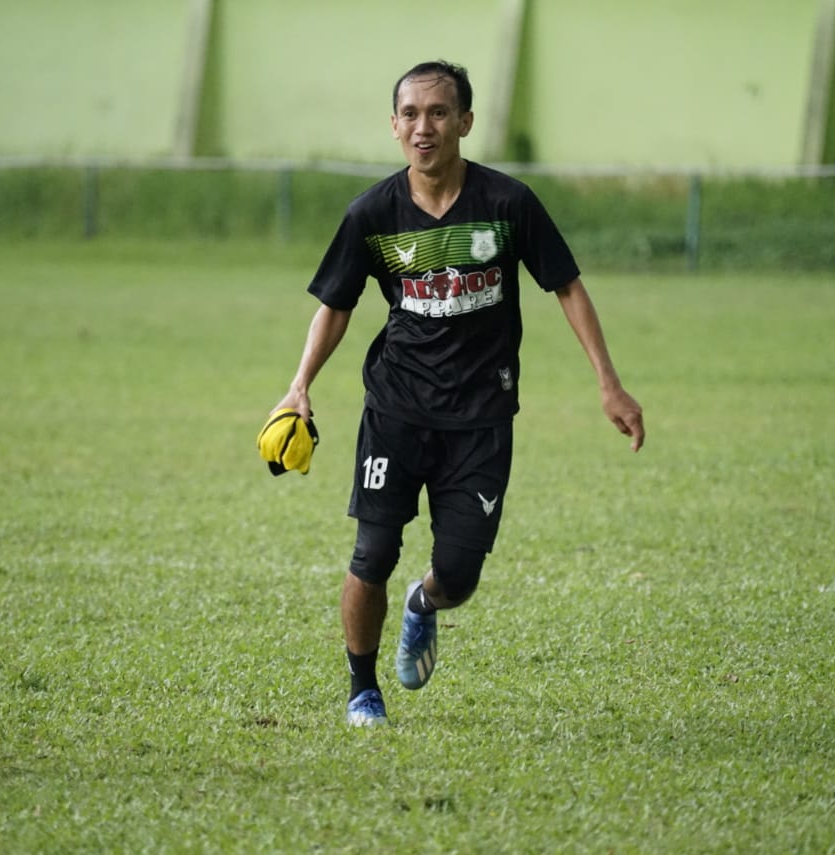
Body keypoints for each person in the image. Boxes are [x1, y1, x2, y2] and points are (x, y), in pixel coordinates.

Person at [269, 60, 645, 727]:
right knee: (372, 551)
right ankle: (363, 690)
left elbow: (566, 286)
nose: (424, 127)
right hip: (395, 408)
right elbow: (336, 303)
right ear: (393, 126)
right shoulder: (373, 214)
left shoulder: (508, 205)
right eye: (410, 114)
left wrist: (609, 383)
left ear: (465, 122)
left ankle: (424, 604)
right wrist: (299, 385)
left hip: (481, 417)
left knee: (460, 573)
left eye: (439, 112)